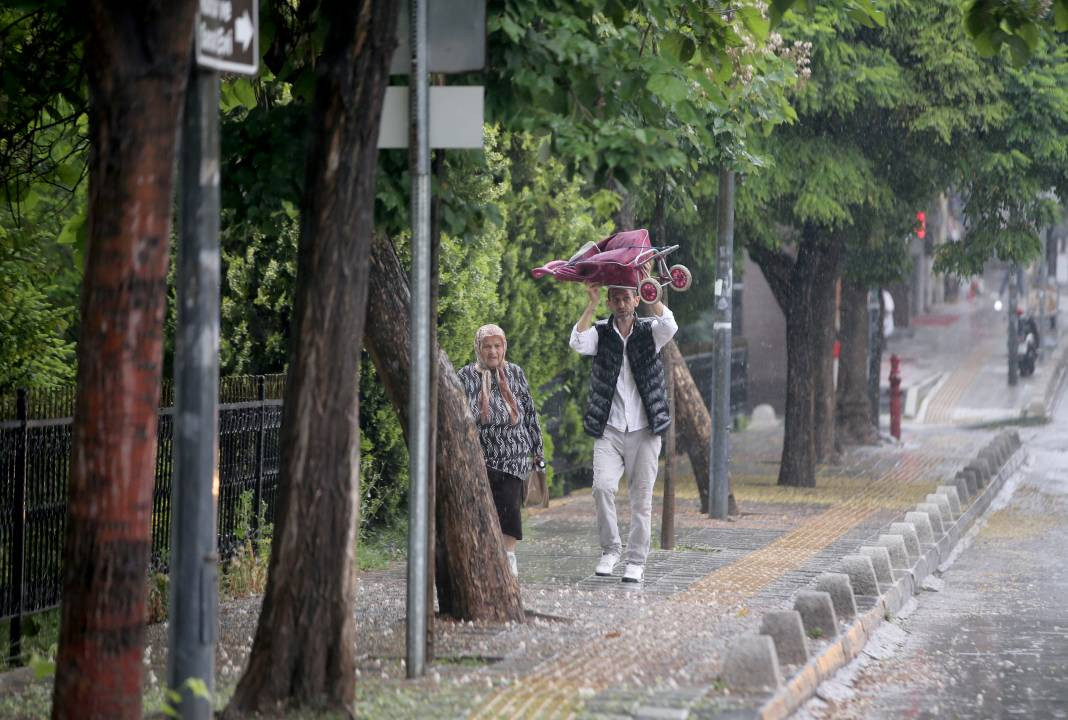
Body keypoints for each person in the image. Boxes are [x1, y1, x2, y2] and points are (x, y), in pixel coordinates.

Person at [570, 278, 677, 583]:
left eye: (626, 298)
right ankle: (610, 550)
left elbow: (670, 325)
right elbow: (577, 342)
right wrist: (590, 306)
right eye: (614, 299)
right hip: (610, 427)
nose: (620, 304)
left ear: (635, 301)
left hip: (645, 429)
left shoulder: (649, 331)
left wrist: (649, 288)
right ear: (609, 303)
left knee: (641, 498)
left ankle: (636, 560)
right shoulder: (602, 333)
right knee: (602, 487)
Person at [458, 324, 545, 578]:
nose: (493, 351)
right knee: (482, 510)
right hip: (481, 455)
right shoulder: (465, 376)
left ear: (504, 347)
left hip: (514, 453)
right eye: (487, 346)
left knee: (508, 507)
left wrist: (538, 451)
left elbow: (528, 412)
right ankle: (482, 559)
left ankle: (509, 559)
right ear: (479, 348)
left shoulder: (515, 373)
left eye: (497, 346)